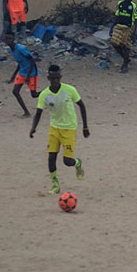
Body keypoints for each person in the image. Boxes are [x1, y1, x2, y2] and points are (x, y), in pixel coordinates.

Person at [29, 65, 88, 195]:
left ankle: (77, 163)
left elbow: (82, 106)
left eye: (57, 78)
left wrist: (85, 126)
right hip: (54, 128)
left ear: (60, 77)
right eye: (52, 78)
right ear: (48, 78)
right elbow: (38, 113)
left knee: (67, 161)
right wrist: (33, 128)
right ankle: (55, 184)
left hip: (69, 128)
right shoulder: (44, 94)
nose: (55, 81)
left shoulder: (70, 90)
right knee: (51, 157)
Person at [6, 33, 39, 116]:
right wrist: (12, 77)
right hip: (22, 72)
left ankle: (49, 91)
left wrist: (28, 76)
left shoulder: (21, 49)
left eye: (10, 38)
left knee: (34, 94)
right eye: (7, 39)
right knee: (15, 91)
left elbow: (32, 61)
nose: (8, 41)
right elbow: (20, 62)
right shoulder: (11, 50)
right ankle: (26, 112)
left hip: (31, 73)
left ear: (13, 39)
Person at [112, 0, 137, 73]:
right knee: (114, 43)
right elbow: (116, 15)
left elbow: (136, 19)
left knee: (126, 46)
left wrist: (134, 32)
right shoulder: (120, 3)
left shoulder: (133, 5)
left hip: (128, 27)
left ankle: (125, 66)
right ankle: (126, 58)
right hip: (119, 26)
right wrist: (112, 27)